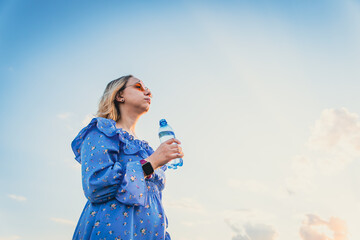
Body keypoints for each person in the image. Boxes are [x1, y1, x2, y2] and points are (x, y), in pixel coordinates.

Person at [71, 75, 184, 239]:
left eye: (148, 89)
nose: (148, 92)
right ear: (119, 95)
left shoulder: (145, 149)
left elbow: (154, 201)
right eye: (138, 87)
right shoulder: (102, 131)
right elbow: (96, 185)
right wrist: (151, 163)